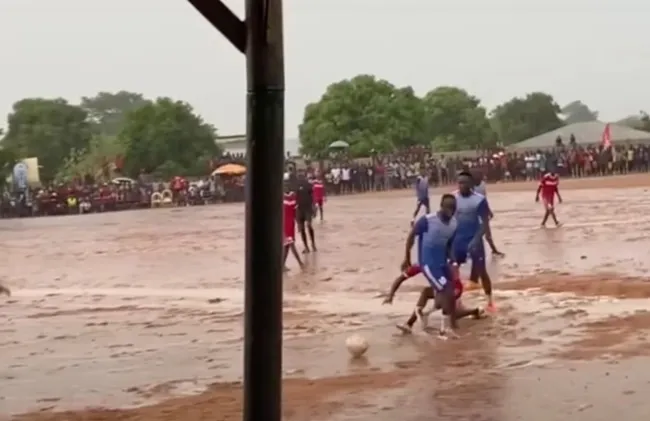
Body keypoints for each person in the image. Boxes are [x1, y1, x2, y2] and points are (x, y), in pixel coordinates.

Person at [399, 194, 461, 338]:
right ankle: (444, 328)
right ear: (441, 206)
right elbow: (411, 237)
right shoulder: (427, 221)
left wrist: (454, 262)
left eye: (453, 208)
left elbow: (449, 245)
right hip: (428, 263)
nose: (450, 211)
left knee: (451, 291)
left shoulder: (454, 224)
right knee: (446, 290)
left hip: (442, 263)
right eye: (448, 208)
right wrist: (407, 258)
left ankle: (418, 318)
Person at [454, 171, 496, 312]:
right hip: (457, 240)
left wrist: (476, 239)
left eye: (464, 182)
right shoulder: (453, 198)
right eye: (459, 182)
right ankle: (457, 301)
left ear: (471, 184)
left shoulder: (479, 200)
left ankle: (490, 302)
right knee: (454, 270)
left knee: (482, 271)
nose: (461, 185)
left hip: (474, 239)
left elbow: (484, 223)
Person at [470, 170, 505, 258]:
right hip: (474, 212)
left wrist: (489, 211)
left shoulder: (482, 184)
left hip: (483, 210)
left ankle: (494, 250)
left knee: (487, 234)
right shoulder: (470, 187)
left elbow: (484, 199)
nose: (480, 179)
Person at [295, 172, 317, 253]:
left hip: (307, 209)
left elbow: (313, 196)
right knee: (302, 228)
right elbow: (294, 198)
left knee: (308, 225)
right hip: (299, 209)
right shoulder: (295, 186)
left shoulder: (308, 185)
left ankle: (313, 244)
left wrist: (314, 207)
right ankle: (307, 247)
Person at [283, 189, 304, 270]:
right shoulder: (293, 197)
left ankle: (282, 265)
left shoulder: (292, 197)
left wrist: (298, 224)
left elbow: (296, 212)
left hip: (289, 224)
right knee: (291, 244)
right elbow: (296, 213)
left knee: (287, 245)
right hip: (286, 224)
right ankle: (300, 263)